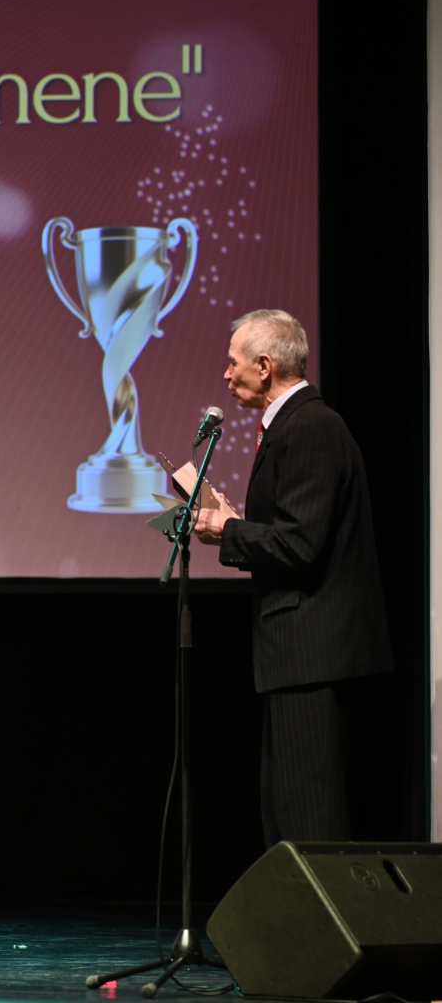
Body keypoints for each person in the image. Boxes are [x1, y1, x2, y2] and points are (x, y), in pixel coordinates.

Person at [195, 309, 392, 845]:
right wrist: (237, 523)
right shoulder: (296, 425)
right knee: (287, 816)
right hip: (298, 656)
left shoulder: (310, 427)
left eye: (233, 362)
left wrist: (228, 531)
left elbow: (301, 545)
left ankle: (322, 909)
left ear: (264, 365)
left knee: (309, 820)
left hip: (313, 655)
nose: (226, 374)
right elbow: (296, 530)